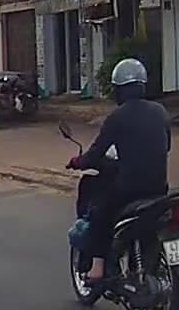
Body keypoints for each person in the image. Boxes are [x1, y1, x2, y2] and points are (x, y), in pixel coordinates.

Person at [69, 58, 171, 283]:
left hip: (129, 190)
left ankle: (97, 268)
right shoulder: (161, 111)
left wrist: (78, 161)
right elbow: (167, 146)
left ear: (120, 90)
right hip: (159, 189)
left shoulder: (117, 117)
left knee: (99, 212)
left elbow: (95, 154)